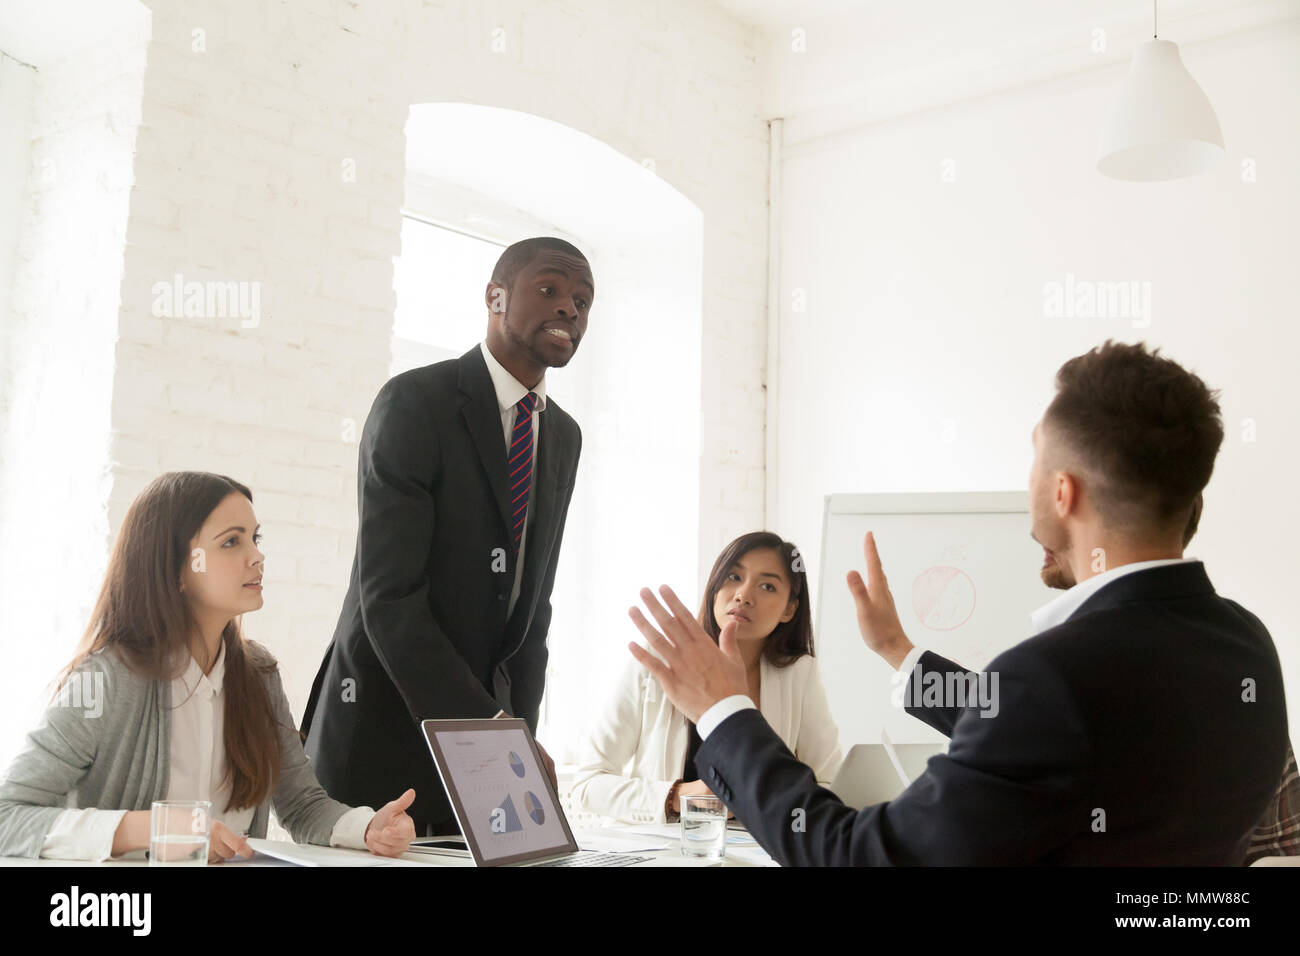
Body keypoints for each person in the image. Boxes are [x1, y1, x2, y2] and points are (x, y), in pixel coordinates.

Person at [627, 340, 1289, 865]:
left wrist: (725, 712)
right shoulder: (1246, 646)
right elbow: (1064, 736)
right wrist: (899, 652)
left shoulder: (1053, 676)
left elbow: (862, 857)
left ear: (1063, 492)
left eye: (1032, 465)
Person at [302, 237, 588, 835]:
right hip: (381, 730)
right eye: (550, 290)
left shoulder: (562, 435)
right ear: (495, 296)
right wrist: (492, 731)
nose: (570, 308)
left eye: (583, 301)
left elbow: (532, 612)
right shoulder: (415, 402)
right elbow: (391, 599)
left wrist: (518, 739)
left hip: (487, 745)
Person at [0, 472, 416, 861]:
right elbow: (7, 817)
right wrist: (154, 828)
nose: (258, 556)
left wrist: (367, 828)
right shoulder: (106, 679)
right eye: (231, 542)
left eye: (255, 538)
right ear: (177, 568)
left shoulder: (258, 673)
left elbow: (302, 805)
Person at [879, 489, 1300, 865]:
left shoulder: (1064, 664)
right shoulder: (1247, 640)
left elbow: (1036, 719)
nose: (1036, 523)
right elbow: (1031, 724)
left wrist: (807, 784)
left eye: (1054, 488)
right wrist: (901, 653)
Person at [571, 532, 841, 825]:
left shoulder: (799, 674)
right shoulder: (659, 661)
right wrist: (679, 797)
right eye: (734, 577)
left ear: (790, 609)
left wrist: (767, 802)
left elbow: (831, 786)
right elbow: (587, 784)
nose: (743, 595)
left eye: (767, 586)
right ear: (714, 588)